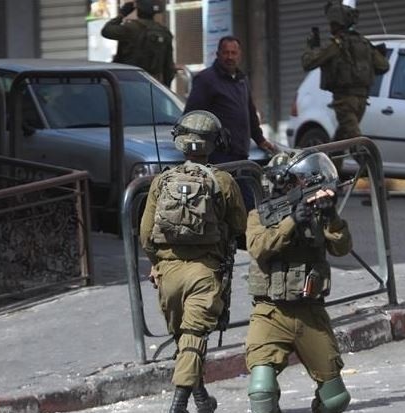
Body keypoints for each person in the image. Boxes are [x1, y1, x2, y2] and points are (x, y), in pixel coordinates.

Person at [139, 110, 247, 413]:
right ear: (214, 142)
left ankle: (201, 400)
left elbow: (146, 235)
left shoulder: (162, 181)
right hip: (205, 272)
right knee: (193, 337)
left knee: (185, 339)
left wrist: (157, 264)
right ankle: (179, 405)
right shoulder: (222, 181)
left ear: (180, 141)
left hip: (168, 273)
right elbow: (239, 225)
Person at [244, 150, 353, 413]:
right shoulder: (258, 216)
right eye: (300, 181)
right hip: (271, 313)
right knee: (262, 394)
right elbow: (259, 248)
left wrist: (332, 217)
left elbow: (343, 248)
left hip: (310, 313)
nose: (306, 187)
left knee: (335, 400)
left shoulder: (317, 214)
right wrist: (291, 222)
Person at [184, 36, 276, 209]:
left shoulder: (242, 80)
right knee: (241, 205)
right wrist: (193, 149)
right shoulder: (206, 80)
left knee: (245, 204)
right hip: (219, 157)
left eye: (233, 53)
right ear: (218, 54)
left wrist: (261, 140)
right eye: (226, 53)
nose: (230, 57)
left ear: (239, 55)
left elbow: (249, 112)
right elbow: (191, 116)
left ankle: (243, 236)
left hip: (241, 155)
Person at [301, 0, 389, 143]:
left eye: (331, 23)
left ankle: (370, 164)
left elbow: (308, 63)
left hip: (345, 102)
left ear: (336, 24)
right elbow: (383, 66)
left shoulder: (335, 46)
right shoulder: (363, 43)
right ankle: (335, 164)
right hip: (361, 100)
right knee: (341, 140)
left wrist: (311, 47)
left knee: (355, 142)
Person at [101, 0, 175, 87]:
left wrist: (122, 14)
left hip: (128, 82)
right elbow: (169, 68)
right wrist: (165, 89)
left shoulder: (130, 28)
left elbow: (106, 31)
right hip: (152, 85)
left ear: (138, 8)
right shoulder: (164, 32)